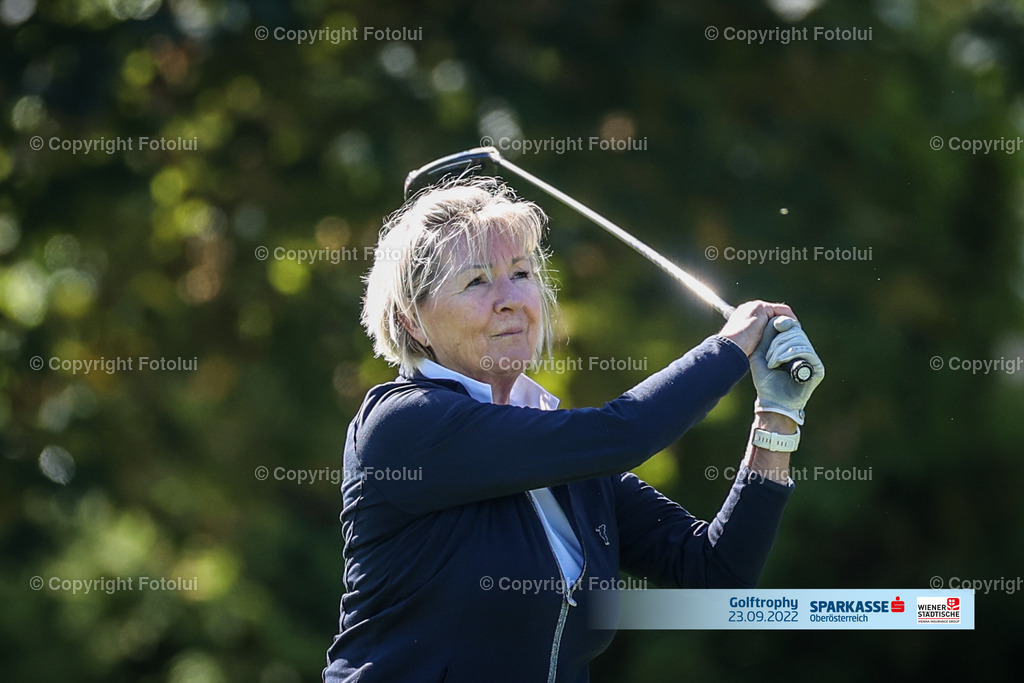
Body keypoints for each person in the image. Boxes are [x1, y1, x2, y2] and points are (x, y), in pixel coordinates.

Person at [323, 178, 824, 683]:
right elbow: (627, 434)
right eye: (476, 281)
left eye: (520, 273)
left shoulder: (566, 457)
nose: (510, 299)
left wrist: (776, 418)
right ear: (412, 320)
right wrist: (729, 349)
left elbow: (716, 573)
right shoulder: (404, 423)